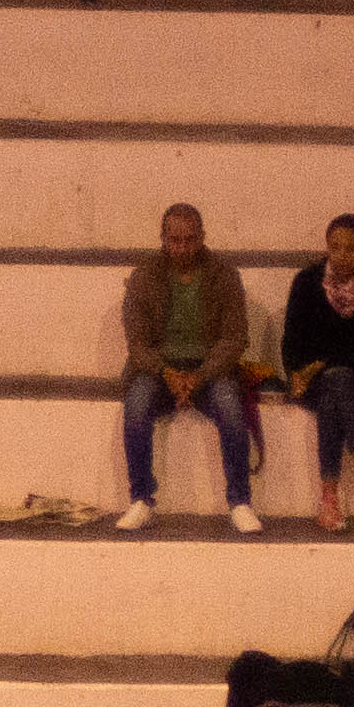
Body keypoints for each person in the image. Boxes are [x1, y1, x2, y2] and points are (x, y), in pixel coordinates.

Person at [113, 202, 259, 533]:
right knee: (135, 406)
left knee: (230, 408)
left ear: (202, 237)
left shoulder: (224, 274)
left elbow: (235, 338)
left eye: (189, 240)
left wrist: (200, 376)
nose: (182, 248)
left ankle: (239, 501)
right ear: (162, 238)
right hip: (157, 370)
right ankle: (141, 498)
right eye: (174, 240)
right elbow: (137, 344)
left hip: (210, 369)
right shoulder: (144, 276)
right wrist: (168, 373)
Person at [273, 214, 354, 533]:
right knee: (334, 386)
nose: (341, 256)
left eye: (349, 249)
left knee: (338, 384)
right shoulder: (306, 282)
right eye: (334, 248)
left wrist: (317, 364)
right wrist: (296, 373)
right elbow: (291, 340)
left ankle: (329, 498)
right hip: (312, 381)